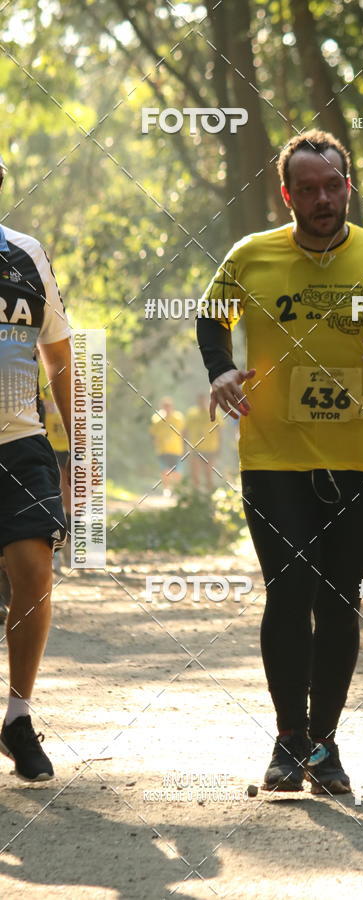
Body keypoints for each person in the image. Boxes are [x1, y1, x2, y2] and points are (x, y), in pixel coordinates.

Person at [197, 129, 363, 795]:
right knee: (290, 587)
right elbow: (211, 318)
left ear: (348, 186)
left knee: (340, 600)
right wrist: (220, 372)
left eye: (332, 186)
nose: (322, 199)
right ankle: (288, 741)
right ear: (287, 194)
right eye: (308, 189)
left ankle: (325, 744)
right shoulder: (252, 256)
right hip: (273, 456)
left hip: (356, 457)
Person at [0, 153, 72, 781]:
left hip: (21, 441)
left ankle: (18, 716)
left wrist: (84, 450)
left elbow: (61, 359)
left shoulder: (27, 255)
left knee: (33, 572)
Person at [40, 368, 71, 570]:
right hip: (46, 441)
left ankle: (69, 552)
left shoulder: (76, 373)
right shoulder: (38, 369)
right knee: (54, 495)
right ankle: (55, 554)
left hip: (69, 443)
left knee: (69, 501)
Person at [149, 397, 185, 497]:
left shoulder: (178, 417)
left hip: (176, 449)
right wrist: (154, 445)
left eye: (169, 406)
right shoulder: (156, 418)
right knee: (165, 470)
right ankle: (166, 489)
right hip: (162, 450)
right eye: (165, 406)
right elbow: (153, 434)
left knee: (177, 472)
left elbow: (183, 432)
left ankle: (177, 490)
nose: (167, 408)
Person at [185, 393, 220, 491]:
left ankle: (209, 495)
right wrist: (184, 445)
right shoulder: (191, 413)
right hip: (196, 448)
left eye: (203, 400)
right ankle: (196, 495)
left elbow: (219, 430)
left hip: (211, 448)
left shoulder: (214, 412)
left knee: (208, 473)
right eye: (200, 400)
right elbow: (185, 430)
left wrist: (219, 447)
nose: (202, 402)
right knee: (195, 473)